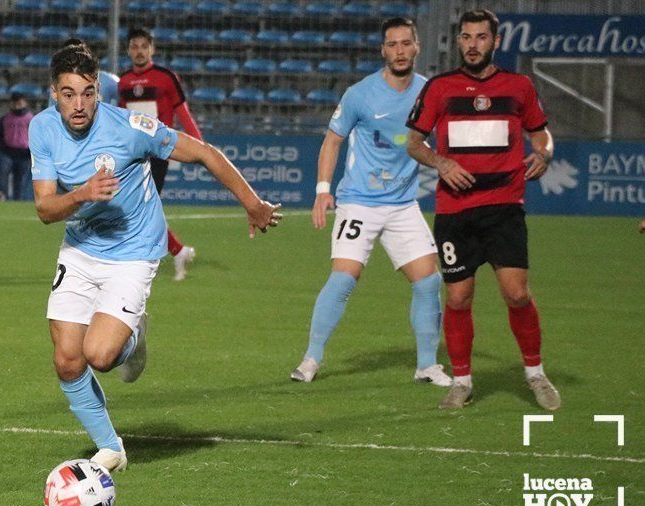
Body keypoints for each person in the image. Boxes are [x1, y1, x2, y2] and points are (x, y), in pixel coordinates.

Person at [30, 44, 281, 471]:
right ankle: (110, 448)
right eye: (69, 94)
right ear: (54, 93)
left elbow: (204, 152)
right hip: (81, 247)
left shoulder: (130, 127)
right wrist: (83, 194)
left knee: (102, 356)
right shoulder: (42, 129)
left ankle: (135, 334)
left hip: (134, 249)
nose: (79, 104)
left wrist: (252, 202)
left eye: (88, 93)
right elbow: (45, 210)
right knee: (67, 359)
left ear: (99, 92)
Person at [406, 9, 560, 410]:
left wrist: (543, 152)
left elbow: (541, 132)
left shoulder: (519, 86)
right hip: (455, 212)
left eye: (481, 37)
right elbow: (414, 142)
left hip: (504, 206)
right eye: (466, 37)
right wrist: (441, 162)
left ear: (495, 41)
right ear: (458, 42)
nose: (473, 44)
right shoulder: (440, 87)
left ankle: (535, 373)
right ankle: (462, 380)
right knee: (458, 298)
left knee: (517, 293)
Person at [290, 17, 450, 389]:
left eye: (405, 43)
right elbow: (332, 140)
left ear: (416, 47)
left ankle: (426, 365)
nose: (399, 51)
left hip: (403, 204)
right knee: (344, 277)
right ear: (383, 50)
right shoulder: (360, 93)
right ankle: (311, 357)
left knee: (428, 282)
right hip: (359, 202)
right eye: (392, 44)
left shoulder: (431, 93)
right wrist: (322, 189)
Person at [118, 27, 202, 281]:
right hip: (134, 154)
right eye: (134, 46)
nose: (139, 51)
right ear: (128, 50)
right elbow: (125, 122)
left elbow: (182, 112)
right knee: (138, 206)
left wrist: (199, 146)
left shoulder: (166, 77)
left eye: (144, 46)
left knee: (140, 206)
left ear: (152, 49)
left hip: (158, 152)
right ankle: (176, 250)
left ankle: (171, 251)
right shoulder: (123, 82)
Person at [0, 92, 33, 201]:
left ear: (25, 103)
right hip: (8, 152)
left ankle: (17, 202)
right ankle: (1, 194)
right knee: (2, 174)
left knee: (20, 182)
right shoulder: (5, 119)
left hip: (25, 154)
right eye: (14, 103)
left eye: (19, 103)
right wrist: (1, 148)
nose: (17, 106)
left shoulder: (31, 119)